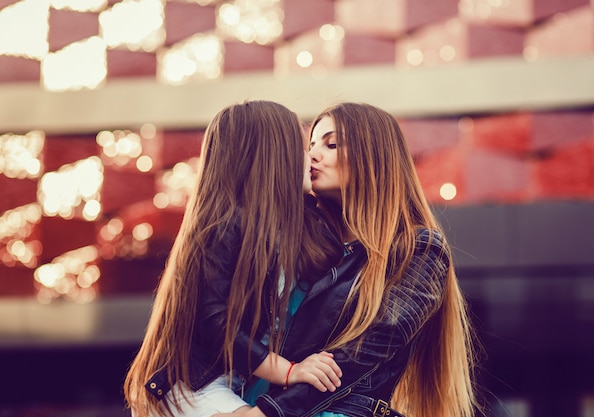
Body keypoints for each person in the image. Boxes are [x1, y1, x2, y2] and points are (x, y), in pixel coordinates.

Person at [218, 102, 478, 417]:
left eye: (332, 144)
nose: (312, 155)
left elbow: (360, 355)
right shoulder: (298, 245)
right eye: (310, 145)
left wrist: (267, 413)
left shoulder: (418, 249)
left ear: (374, 155)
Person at [123, 100, 345, 417]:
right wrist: (288, 371)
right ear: (273, 157)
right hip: (193, 385)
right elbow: (216, 323)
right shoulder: (222, 227)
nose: (310, 157)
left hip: (237, 384)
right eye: (301, 146)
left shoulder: (297, 225)